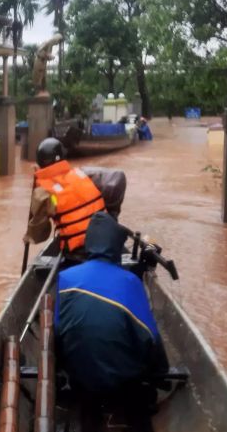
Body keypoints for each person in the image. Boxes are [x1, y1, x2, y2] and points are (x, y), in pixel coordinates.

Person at [56, 211, 169, 394]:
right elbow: (150, 337)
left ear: (88, 243)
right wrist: (161, 372)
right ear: (116, 246)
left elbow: (57, 330)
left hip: (77, 377)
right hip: (122, 381)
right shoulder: (130, 282)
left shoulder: (65, 278)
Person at [23, 138, 107, 253]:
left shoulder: (44, 191)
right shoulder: (80, 174)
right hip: (105, 236)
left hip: (77, 247)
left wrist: (28, 237)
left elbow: (39, 235)